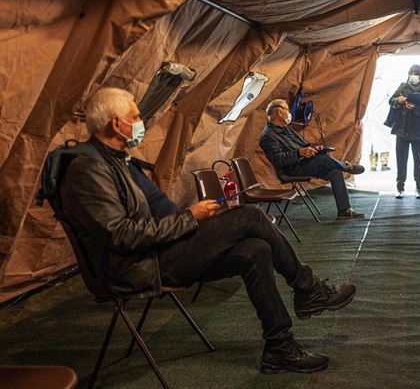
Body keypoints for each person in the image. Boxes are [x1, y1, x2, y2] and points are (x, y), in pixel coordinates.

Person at [59, 88, 356, 375]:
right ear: (115, 123)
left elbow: (156, 214)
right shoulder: (87, 170)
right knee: (251, 215)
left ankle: (279, 348)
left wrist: (198, 221)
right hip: (139, 267)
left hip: (161, 250)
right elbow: (122, 236)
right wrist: (190, 218)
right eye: (136, 117)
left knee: (256, 249)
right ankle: (308, 289)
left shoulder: (116, 162)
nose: (141, 123)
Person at [259, 99, 366, 220]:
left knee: (335, 172)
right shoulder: (268, 136)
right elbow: (278, 160)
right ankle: (347, 167)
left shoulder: (285, 128)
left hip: (303, 163)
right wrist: (299, 153)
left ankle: (344, 211)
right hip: (292, 169)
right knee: (323, 159)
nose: (289, 113)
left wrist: (312, 149)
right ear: (280, 112)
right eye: (287, 110)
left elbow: (302, 145)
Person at [389, 64, 420, 199]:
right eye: (412, 73)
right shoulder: (403, 87)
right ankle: (400, 188)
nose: (413, 76)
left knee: (419, 161)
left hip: (419, 131)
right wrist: (398, 100)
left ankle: (419, 187)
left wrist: (414, 108)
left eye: (416, 73)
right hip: (401, 129)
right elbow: (391, 101)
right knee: (401, 160)